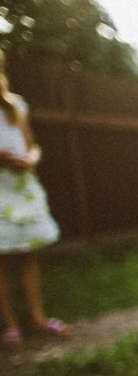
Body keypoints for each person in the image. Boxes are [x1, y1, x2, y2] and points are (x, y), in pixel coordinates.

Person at [0, 50, 68, 350]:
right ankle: (11, 325)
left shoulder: (15, 106)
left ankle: (38, 319)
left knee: (28, 255)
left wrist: (30, 159)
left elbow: (32, 145)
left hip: (21, 188)